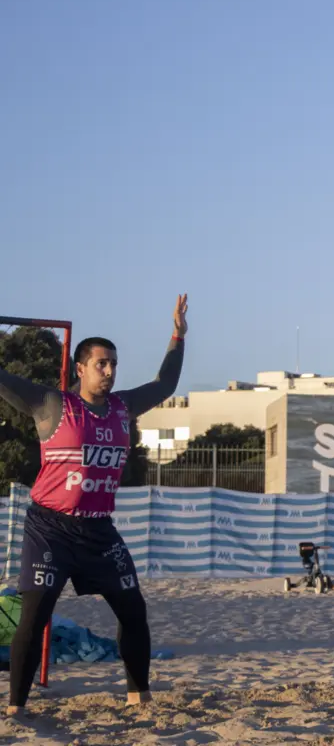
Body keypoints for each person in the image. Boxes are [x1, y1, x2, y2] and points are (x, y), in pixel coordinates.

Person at [0, 296, 188, 716]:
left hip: (99, 531)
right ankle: (16, 707)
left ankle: (140, 696)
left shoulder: (122, 408)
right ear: (80, 368)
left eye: (114, 364)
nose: (109, 371)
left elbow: (165, 386)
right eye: (101, 364)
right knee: (35, 613)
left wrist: (178, 335)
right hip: (50, 527)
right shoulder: (53, 404)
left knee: (133, 609)